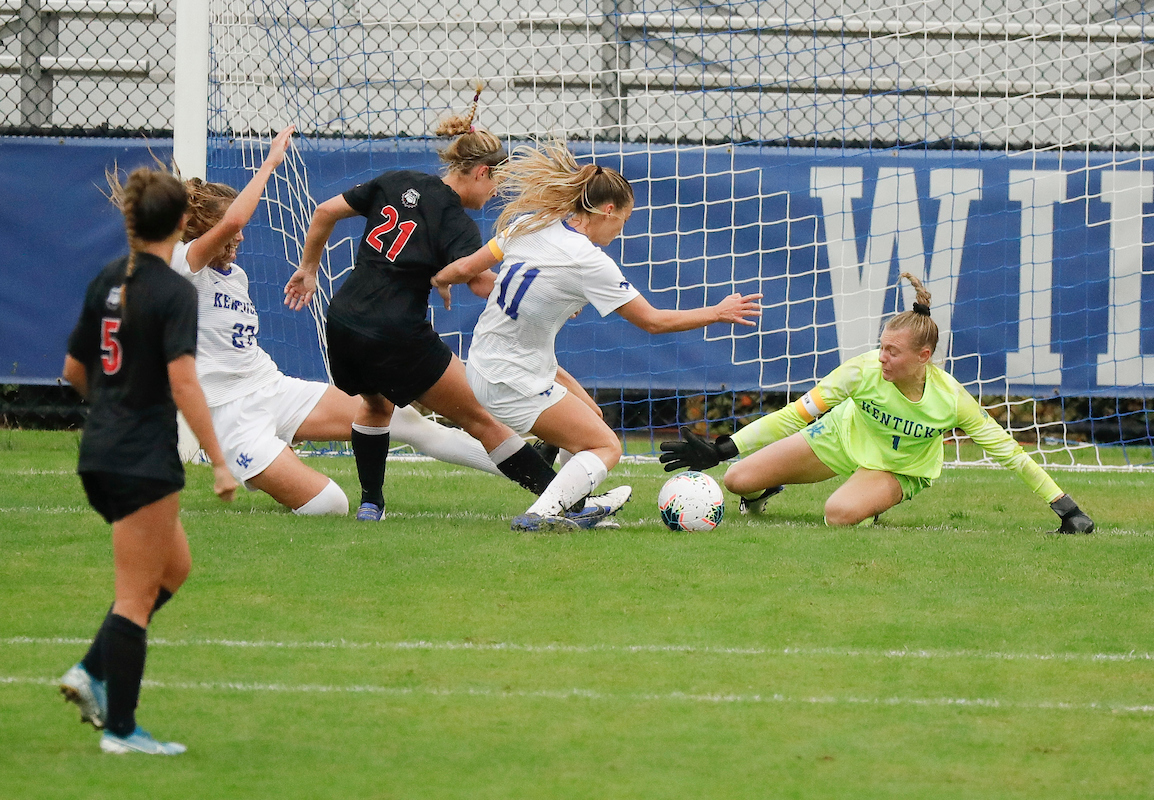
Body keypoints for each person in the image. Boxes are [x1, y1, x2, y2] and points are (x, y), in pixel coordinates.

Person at [284, 90, 602, 523]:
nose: (493, 196)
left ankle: (371, 504)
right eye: (496, 185)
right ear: (483, 172)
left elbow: (323, 211)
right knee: (483, 418)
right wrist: (545, 297)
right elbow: (481, 283)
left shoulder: (396, 180)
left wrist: (308, 269)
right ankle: (565, 503)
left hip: (342, 321)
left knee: (375, 407)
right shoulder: (456, 220)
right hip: (396, 332)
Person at [173, 126, 511, 515]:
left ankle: (535, 475)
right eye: (231, 237)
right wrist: (270, 163)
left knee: (410, 423)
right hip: (228, 414)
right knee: (331, 505)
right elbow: (231, 224)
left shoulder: (236, 276)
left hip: (270, 389)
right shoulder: (181, 267)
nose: (240, 240)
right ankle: (262, 460)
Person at [432, 141, 763, 531]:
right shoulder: (589, 262)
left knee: (592, 415)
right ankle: (541, 515)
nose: (622, 229)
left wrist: (440, 279)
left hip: (491, 361)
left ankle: (576, 505)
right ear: (607, 211)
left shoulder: (528, 224)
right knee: (606, 446)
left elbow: (469, 269)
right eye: (624, 219)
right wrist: (717, 313)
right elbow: (652, 321)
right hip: (513, 378)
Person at [659, 273, 1096, 533]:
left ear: (923, 357)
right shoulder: (862, 370)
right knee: (737, 480)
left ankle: (871, 503)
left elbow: (1009, 453)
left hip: (897, 468)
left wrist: (1065, 507)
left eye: (893, 351)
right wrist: (723, 448)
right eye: (881, 346)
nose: (882, 356)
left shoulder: (950, 400)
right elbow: (797, 414)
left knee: (839, 515)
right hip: (838, 440)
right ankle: (767, 489)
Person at [58, 166, 238, 755]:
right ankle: (121, 732)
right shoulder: (173, 290)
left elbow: (74, 372)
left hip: (100, 453)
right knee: (136, 597)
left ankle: (91, 669)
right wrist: (218, 460)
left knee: (174, 568)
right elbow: (184, 381)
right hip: (141, 458)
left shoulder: (107, 278)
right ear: (184, 222)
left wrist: (113, 406)